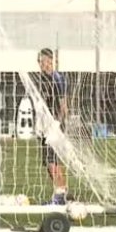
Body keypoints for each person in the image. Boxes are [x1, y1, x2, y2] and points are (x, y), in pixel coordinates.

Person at [36, 48, 69, 205]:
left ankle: (60, 194)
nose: (46, 65)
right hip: (46, 126)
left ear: (53, 62)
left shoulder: (57, 79)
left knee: (51, 161)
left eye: (49, 62)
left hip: (55, 126)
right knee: (52, 161)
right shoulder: (42, 79)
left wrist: (58, 123)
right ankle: (61, 193)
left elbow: (63, 105)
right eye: (43, 62)